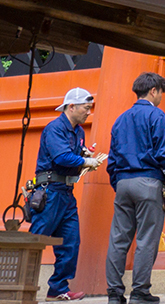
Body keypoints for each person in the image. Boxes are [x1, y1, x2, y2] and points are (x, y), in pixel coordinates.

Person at [105, 73, 165, 304]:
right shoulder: (156, 115)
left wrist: (118, 182)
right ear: (154, 90)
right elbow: (164, 152)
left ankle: (114, 293)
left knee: (119, 239)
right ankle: (140, 291)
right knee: (147, 239)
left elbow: (113, 158)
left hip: (124, 183)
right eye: (161, 93)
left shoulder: (121, 119)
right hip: (148, 181)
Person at [30, 87, 107, 301]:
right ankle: (18, 283)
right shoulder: (54, 128)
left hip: (66, 192)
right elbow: (62, 158)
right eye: (85, 107)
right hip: (49, 192)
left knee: (70, 241)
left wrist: (84, 155)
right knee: (34, 241)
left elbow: (71, 156)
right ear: (71, 107)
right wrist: (85, 161)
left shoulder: (79, 132)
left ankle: (57, 289)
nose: (88, 112)